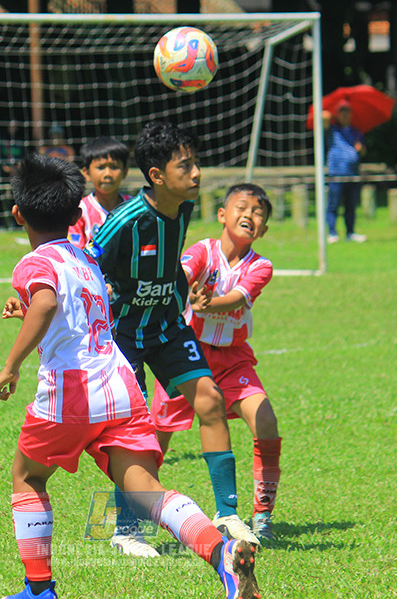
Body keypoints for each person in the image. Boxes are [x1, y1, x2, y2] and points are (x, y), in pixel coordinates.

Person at [0, 154, 260, 599]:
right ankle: (221, 552)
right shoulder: (85, 258)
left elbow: (47, 303)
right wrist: (30, 311)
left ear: (18, 214)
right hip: (121, 388)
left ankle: (38, 590)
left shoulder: (33, 262)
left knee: (29, 477)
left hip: (71, 392)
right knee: (146, 490)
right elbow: (72, 309)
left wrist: (10, 366)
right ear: (76, 216)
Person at [86, 121, 260, 556]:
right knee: (136, 430)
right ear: (157, 175)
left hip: (167, 326)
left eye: (196, 163)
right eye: (185, 166)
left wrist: (182, 291)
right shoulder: (125, 220)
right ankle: (126, 530)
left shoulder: (182, 208)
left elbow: (168, 265)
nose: (196, 172)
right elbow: (84, 263)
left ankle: (227, 515)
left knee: (210, 400)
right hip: (123, 334)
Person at [151, 183, 282, 543]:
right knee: (156, 437)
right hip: (186, 354)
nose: (249, 215)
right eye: (242, 207)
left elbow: (238, 298)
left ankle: (261, 516)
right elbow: (181, 274)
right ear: (222, 215)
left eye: (258, 212)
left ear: (264, 229)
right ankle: (131, 516)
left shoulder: (261, 266)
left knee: (265, 421)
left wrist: (208, 303)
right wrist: (184, 291)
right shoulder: (202, 251)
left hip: (232, 360)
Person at [67, 136, 131, 249]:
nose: (108, 174)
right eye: (101, 168)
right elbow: (76, 251)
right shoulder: (81, 210)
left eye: (114, 167)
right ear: (87, 173)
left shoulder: (133, 207)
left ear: (125, 171)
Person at [325, 100, 368, 244]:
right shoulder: (332, 129)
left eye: (347, 111)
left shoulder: (356, 131)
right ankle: (332, 233)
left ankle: (350, 233)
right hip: (336, 173)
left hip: (353, 174)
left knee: (351, 206)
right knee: (333, 205)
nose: (345, 114)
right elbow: (323, 117)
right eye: (342, 111)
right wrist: (332, 114)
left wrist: (360, 149)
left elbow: (363, 152)